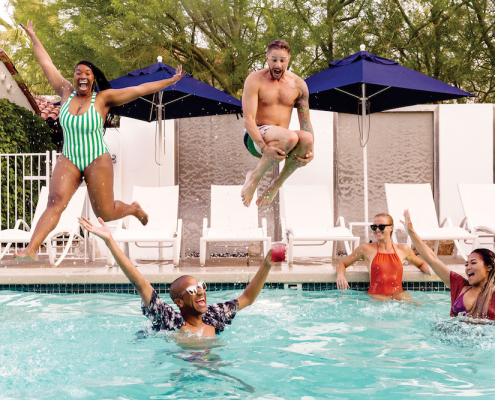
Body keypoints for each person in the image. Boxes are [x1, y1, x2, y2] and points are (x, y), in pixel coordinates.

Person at [15, 20, 185, 260]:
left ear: (93, 78)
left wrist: (170, 81)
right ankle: (31, 249)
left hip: (97, 158)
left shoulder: (103, 99)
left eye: (87, 73)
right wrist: (33, 36)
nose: (82, 76)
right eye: (78, 73)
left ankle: (134, 209)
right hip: (70, 158)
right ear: (74, 77)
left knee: (105, 212)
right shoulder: (65, 92)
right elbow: (47, 64)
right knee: (55, 202)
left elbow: (140, 89)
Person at [78, 216, 277, 338]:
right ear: (179, 302)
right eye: (192, 290)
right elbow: (139, 282)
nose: (200, 291)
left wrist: (266, 263)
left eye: (201, 286)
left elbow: (247, 298)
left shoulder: (215, 315)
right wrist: (110, 241)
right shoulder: (170, 321)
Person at [241, 40, 314, 207]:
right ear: (267, 59)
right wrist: (265, 147)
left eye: (282, 60)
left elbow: (306, 121)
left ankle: (276, 185)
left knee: (307, 139)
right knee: (289, 137)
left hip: (282, 142)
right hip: (256, 137)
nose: (278, 64)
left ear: (288, 59)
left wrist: (310, 152)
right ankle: (254, 177)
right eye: (274, 60)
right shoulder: (255, 80)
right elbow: (248, 120)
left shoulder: (299, 85)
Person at [402, 209, 495, 320]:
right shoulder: (460, 285)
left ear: (489, 266)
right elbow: (432, 259)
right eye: (466, 264)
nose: (468, 267)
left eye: (473, 263)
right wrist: (411, 232)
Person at [336, 213, 430, 301]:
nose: (377, 230)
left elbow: (421, 264)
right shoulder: (365, 249)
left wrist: (431, 272)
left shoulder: (403, 249)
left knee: (418, 307)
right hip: (376, 296)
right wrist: (340, 275)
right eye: (374, 227)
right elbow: (342, 263)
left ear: (391, 228)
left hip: (399, 294)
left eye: (381, 226)